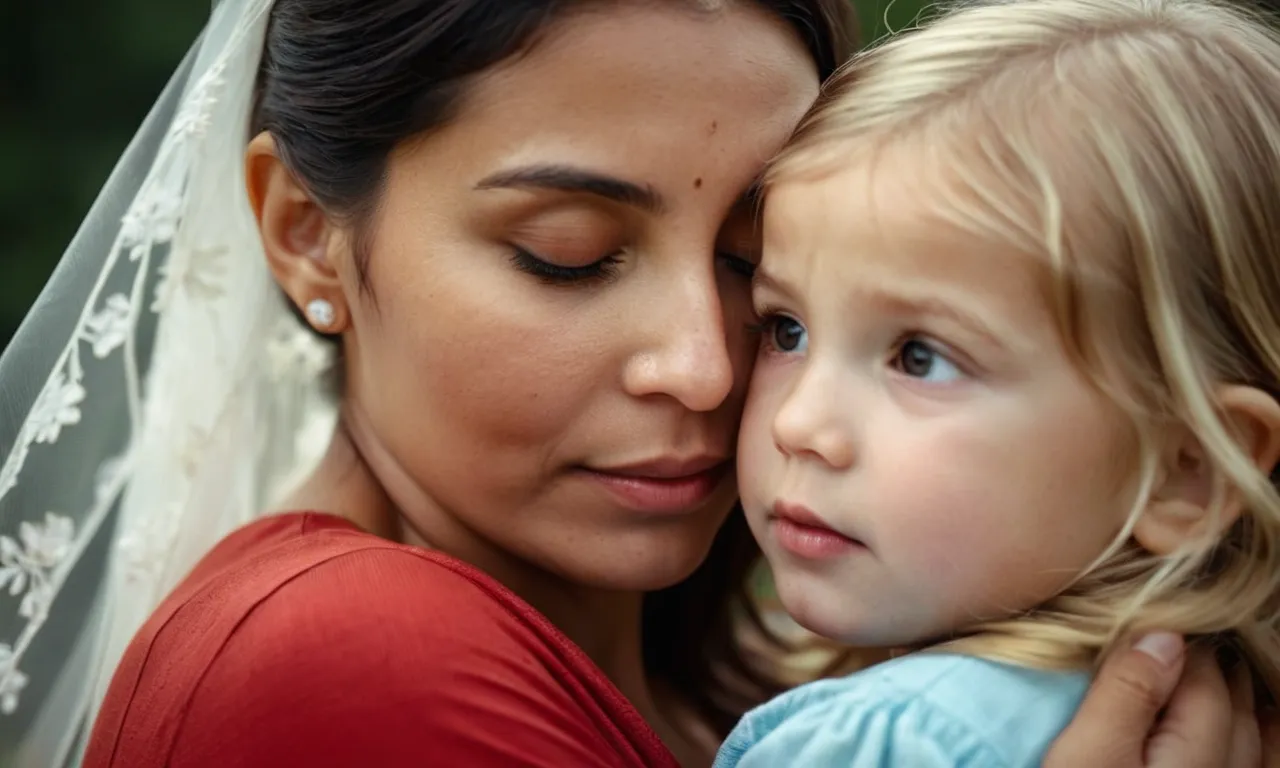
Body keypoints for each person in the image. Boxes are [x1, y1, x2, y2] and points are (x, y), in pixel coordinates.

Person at [0, 0, 1264, 766]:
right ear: (302, 234)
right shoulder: (352, 663)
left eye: (752, 275)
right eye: (572, 258)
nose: (710, 369)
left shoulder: (812, 674)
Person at [713, 0, 1280, 766]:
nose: (800, 425)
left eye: (920, 357)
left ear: (1188, 474)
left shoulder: (890, 742)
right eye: (787, 330)